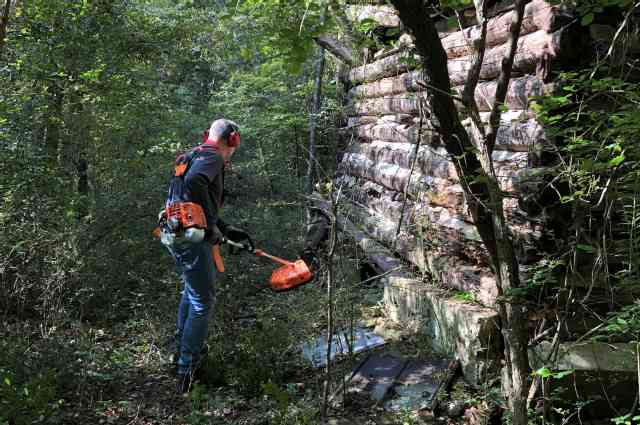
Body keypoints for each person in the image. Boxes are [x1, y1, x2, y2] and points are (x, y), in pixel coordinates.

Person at [159, 118, 253, 392]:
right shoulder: (212, 158)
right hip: (190, 235)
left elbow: (191, 196)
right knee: (202, 301)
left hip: (174, 233)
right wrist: (210, 226)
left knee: (191, 293)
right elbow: (196, 182)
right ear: (232, 139)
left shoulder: (192, 155)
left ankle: (180, 355)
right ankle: (187, 371)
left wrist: (223, 227)